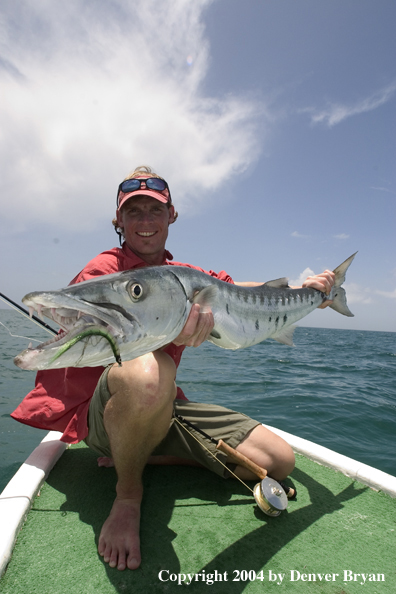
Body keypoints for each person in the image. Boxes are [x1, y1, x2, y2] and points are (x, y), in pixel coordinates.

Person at [12, 165, 335, 571]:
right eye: (134, 212)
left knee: (278, 461)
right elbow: (106, 351)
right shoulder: (102, 272)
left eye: (155, 211)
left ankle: (144, 453)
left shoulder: (184, 275)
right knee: (149, 369)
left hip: (158, 408)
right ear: (119, 221)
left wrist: (308, 292)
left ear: (171, 217)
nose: (145, 222)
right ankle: (128, 495)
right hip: (104, 414)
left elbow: (233, 290)